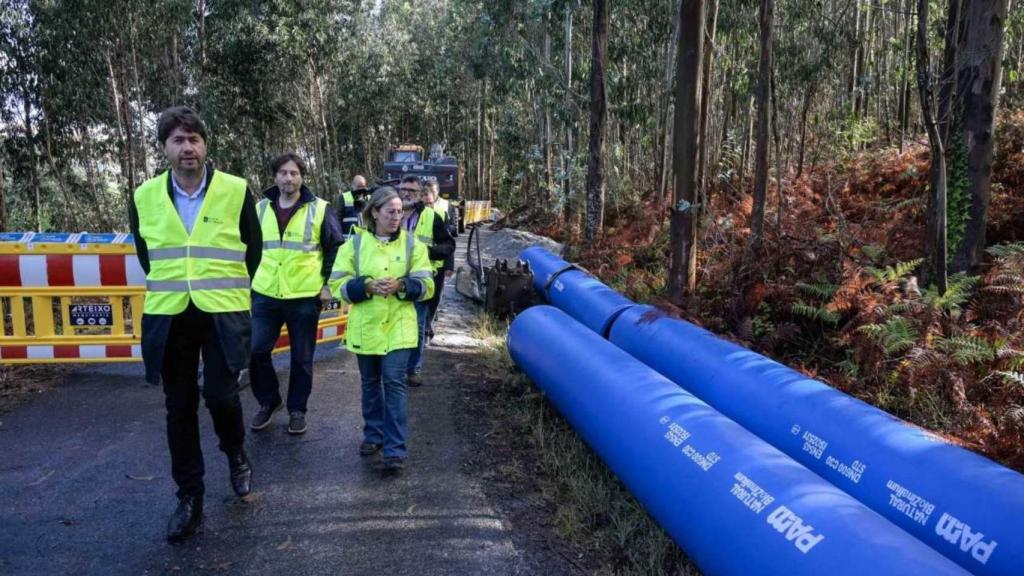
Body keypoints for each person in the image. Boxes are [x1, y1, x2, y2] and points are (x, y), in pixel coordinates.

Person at [128, 106, 261, 542]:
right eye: (178, 140)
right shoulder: (144, 196)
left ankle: (236, 454)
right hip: (170, 316)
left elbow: (253, 252)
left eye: (195, 139)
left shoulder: (236, 190)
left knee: (222, 397)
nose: (188, 147)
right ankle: (189, 497)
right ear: (165, 148)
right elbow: (147, 255)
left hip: (221, 312)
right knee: (178, 407)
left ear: (206, 145)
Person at [328, 187, 434, 472]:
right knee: (370, 383)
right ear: (374, 213)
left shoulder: (415, 247)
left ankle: (395, 448)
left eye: (400, 211)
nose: (396, 217)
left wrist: (403, 286)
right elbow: (338, 285)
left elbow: (427, 287)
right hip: (367, 327)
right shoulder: (353, 246)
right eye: (390, 211)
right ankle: (373, 435)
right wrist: (365, 286)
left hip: (400, 327)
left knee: (394, 382)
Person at [248, 153, 344, 435]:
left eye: (294, 173)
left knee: (301, 358)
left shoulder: (320, 209)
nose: (288, 178)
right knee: (256, 350)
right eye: (283, 173)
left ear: (302, 177)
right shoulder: (260, 209)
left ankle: (297, 409)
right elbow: (250, 247)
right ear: (275, 176)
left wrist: (327, 285)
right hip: (266, 293)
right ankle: (269, 401)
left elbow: (335, 248)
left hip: (304, 295)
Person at [398, 176, 454, 387]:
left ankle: (413, 369)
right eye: (404, 189)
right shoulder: (387, 213)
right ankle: (394, 370)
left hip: (421, 281)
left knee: (418, 327)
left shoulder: (431, 217)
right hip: (393, 280)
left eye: (412, 190)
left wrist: (427, 252)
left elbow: (448, 246)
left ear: (420, 193)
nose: (407, 193)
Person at [421, 180, 455, 343]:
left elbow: (449, 243)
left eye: (429, 195)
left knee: (434, 300)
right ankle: (425, 329)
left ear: (435, 196)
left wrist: (449, 265)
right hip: (418, 268)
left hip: (437, 267)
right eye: (423, 195)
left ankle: (427, 327)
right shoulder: (413, 215)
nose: (426, 198)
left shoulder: (442, 215)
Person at [338, 175, 369, 241]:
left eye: (363, 186)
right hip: (349, 241)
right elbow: (338, 220)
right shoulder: (344, 198)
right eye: (358, 186)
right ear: (353, 186)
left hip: (366, 241)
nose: (361, 189)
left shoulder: (369, 198)